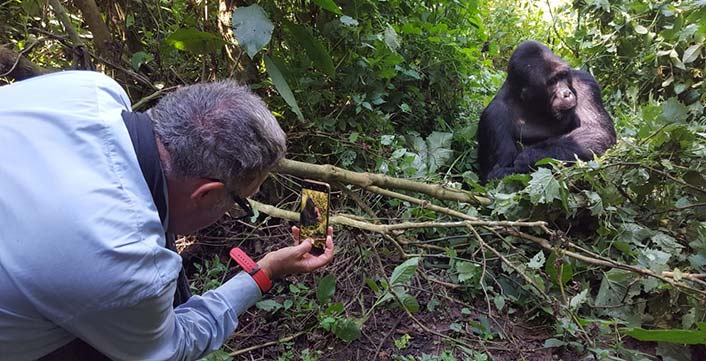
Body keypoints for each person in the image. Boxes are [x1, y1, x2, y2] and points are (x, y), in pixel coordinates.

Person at [0, 70, 335, 360]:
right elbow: (172, 347)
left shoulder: (90, 89)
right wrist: (265, 273)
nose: (235, 210)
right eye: (240, 201)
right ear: (206, 194)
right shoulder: (126, 261)